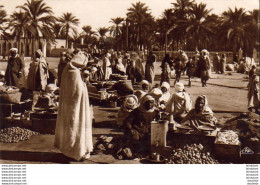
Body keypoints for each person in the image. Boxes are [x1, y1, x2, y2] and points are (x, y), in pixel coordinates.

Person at [55, 50, 93, 161]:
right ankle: (76, 152)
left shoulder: (69, 69)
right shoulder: (74, 72)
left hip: (71, 105)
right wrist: (84, 85)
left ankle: (71, 151)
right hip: (75, 107)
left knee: (71, 127)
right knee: (76, 126)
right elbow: (77, 91)